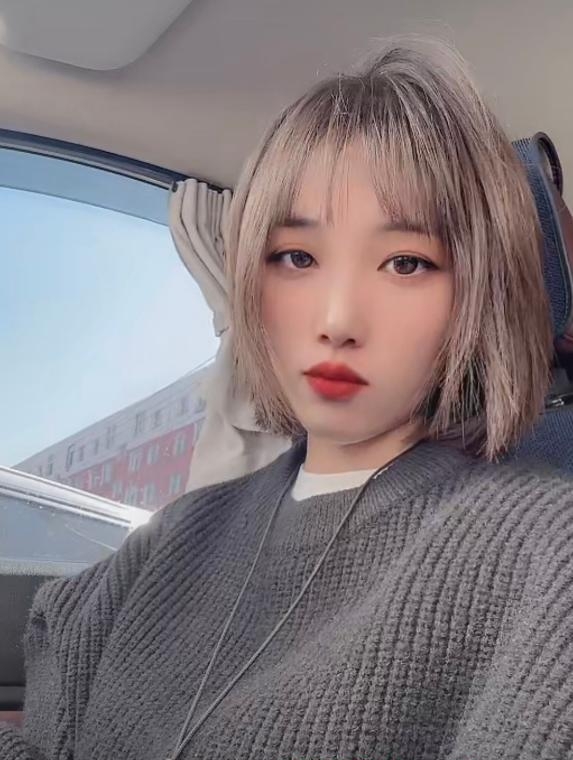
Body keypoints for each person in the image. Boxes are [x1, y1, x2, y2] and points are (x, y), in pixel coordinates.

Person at [3, 38, 573, 760]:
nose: (336, 320)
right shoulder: (168, 540)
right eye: (296, 258)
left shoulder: (542, 554)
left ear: (477, 298)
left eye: (405, 263)